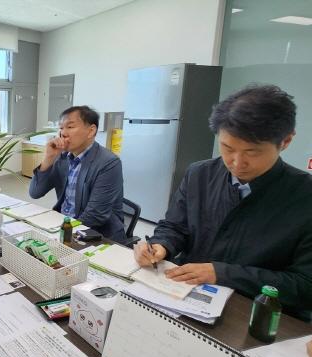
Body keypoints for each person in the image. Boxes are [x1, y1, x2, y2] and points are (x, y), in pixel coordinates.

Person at [134, 85, 312, 321]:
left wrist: (222, 273)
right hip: (183, 300)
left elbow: (305, 285)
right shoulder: (200, 174)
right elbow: (175, 226)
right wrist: (160, 245)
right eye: (227, 148)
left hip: (257, 317)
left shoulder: (304, 196)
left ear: (286, 141)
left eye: (253, 152)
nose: (237, 162)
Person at [28, 106, 125, 242]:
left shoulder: (109, 163)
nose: (63, 133)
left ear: (91, 131)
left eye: (70, 127)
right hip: (65, 224)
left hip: (96, 234)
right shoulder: (62, 158)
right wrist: (48, 158)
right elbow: (35, 192)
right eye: (61, 128)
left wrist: (62, 234)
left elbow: (94, 216)